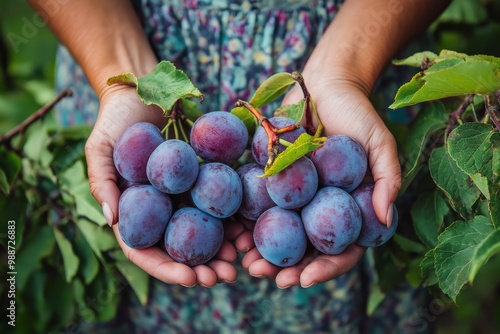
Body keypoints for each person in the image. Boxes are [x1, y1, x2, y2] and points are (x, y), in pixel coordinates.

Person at [28, 0, 450, 332]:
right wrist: (131, 82)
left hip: (363, 48)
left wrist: (346, 74)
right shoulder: (184, 160)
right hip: (116, 44)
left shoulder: (283, 159)